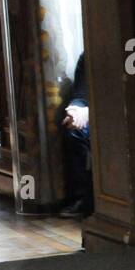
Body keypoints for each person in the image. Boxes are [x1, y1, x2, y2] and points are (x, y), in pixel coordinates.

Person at [60, 53, 93, 218]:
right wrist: (75, 109)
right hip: (98, 113)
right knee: (75, 130)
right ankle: (82, 198)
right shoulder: (88, 55)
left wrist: (91, 110)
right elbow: (81, 95)